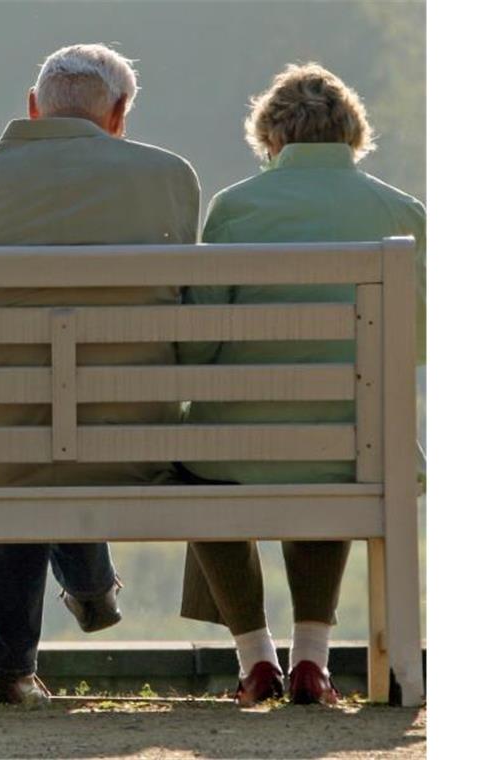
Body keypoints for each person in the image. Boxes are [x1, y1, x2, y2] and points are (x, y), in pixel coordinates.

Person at [0, 43, 200, 706]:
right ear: (119, 114)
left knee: (14, 428)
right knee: (72, 409)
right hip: (130, 441)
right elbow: (186, 308)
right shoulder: (169, 177)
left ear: (32, 108)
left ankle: (9, 671)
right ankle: (89, 583)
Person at [177, 63, 426, 706]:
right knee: (338, 445)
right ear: (352, 134)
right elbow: (416, 347)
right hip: (356, 447)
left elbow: (199, 346)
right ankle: (312, 662)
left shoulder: (234, 208)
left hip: (237, 451)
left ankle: (256, 659)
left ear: (271, 138)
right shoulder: (403, 213)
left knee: (193, 465)